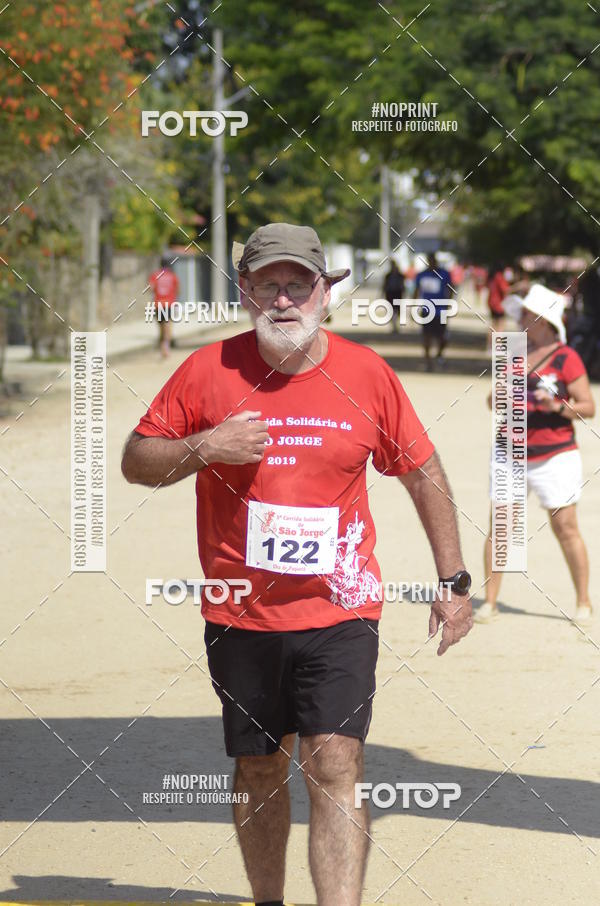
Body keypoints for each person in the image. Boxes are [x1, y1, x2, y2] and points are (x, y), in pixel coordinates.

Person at [121, 222, 473, 906]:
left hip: (340, 607)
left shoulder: (366, 374)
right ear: (246, 294)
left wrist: (453, 580)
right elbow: (138, 461)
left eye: (298, 285)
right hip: (240, 611)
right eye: (268, 286)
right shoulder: (206, 371)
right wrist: (206, 446)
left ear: (325, 293)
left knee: (336, 760)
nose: (284, 300)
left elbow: (422, 470)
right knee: (258, 768)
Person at [477, 284, 595, 627]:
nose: (520, 318)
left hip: (555, 455)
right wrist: (497, 396)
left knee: (565, 527)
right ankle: (491, 602)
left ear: (544, 321)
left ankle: (584, 601)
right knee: (501, 527)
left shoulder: (566, 357)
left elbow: (588, 406)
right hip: (509, 451)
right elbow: (491, 402)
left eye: (526, 314)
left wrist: (557, 406)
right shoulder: (513, 353)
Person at [414, 252, 452, 370]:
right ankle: (428, 362)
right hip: (426, 310)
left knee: (442, 337)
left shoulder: (444, 274)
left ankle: (440, 353)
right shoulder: (421, 275)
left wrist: (448, 304)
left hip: (441, 310)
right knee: (427, 336)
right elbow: (417, 290)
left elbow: (450, 289)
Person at [149, 256, 179, 358]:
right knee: (168, 326)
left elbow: (151, 288)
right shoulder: (173, 276)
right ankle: (166, 346)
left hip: (158, 304)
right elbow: (177, 290)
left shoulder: (155, 275)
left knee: (161, 327)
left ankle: (163, 346)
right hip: (169, 304)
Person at [382, 259, 405, 332]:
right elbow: (385, 285)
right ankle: (394, 326)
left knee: (397, 310)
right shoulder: (388, 275)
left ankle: (395, 325)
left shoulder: (400, 275)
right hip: (390, 294)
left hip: (397, 294)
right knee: (391, 310)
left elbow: (402, 285)